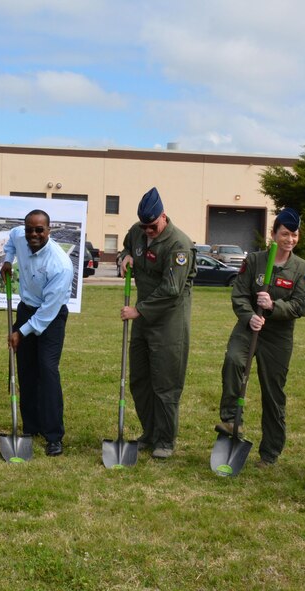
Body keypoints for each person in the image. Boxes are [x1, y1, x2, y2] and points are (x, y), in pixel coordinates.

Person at [216, 208, 305, 467]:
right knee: (234, 361)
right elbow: (239, 294)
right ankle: (230, 419)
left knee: (273, 392)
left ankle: (270, 451)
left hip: (278, 336)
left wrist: (272, 307)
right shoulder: (256, 261)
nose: (289, 239)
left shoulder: (301, 268)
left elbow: (300, 307)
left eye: (294, 235)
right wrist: (250, 316)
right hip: (249, 328)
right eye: (284, 234)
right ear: (273, 234)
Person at [120, 187, 196, 459]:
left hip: (169, 322)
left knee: (165, 384)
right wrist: (125, 256)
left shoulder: (179, 245)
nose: (148, 231)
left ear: (163, 217)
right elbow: (128, 246)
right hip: (142, 319)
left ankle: (165, 440)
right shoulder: (137, 231)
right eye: (144, 226)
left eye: (152, 226)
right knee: (140, 379)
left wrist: (138, 311)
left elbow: (171, 289)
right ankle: (149, 433)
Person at [1, 210, 72, 456]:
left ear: (48, 231)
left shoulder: (60, 264)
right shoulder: (20, 235)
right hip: (26, 308)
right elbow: (11, 238)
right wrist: (8, 260)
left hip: (51, 318)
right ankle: (31, 428)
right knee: (26, 370)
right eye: (30, 229)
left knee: (47, 370)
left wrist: (21, 332)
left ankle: (54, 435)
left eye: (39, 230)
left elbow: (47, 313)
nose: (33, 234)